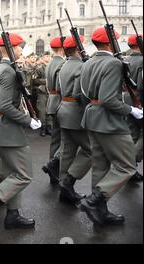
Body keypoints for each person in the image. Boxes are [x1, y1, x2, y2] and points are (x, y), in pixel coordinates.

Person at [0, 33, 41, 231]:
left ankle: (13, 214)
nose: (22, 50)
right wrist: (28, 120)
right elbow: (4, 106)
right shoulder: (7, 71)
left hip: (2, 126)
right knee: (24, 174)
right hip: (8, 128)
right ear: (11, 48)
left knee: (12, 171)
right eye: (20, 46)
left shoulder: (0, 67)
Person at [79, 27, 143, 226]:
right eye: (115, 40)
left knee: (100, 165)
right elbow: (108, 99)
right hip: (109, 121)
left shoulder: (89, 61)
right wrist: (130, 110)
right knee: (127, 166)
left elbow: (85, 94)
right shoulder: (113, 63)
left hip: (92, 117)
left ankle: (100, 210)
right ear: (109, 44)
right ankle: (94, 200)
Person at [56, 36, 91, 205]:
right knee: (90, 150)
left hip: (63, 109)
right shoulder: (81, 66)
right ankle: (69, 181)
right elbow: (80, 94)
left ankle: (64, 188)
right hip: (75, 113)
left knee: (67, 151)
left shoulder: (64, 65)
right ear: (79, 48)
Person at [42, 37, 66, 185]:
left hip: (51, 100)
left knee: (55, 139)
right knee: (65, 139)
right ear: (62, 49)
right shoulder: (62, 64)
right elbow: (62, 87)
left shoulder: (50, 63)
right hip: (60, 102)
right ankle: (55, 167)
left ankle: (53, 170)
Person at [125, 34, 143, 182]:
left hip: (127, 99)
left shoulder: (124, 59)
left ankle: (130, 168)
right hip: (139, 100)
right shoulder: (142, 61)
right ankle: (129, 165)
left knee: (133, 134)